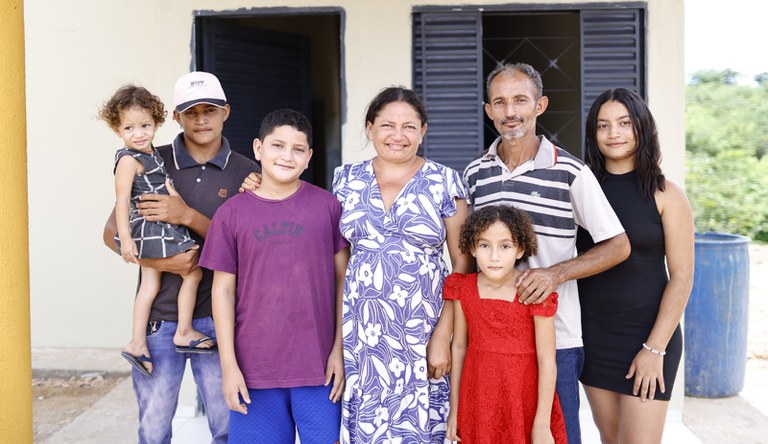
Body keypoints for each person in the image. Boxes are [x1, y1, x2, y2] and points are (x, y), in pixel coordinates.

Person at [459, 63, 631, 444]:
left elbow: (619, 245)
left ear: (540, 105)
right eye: (500, 102)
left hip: (557, 340)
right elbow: (472, 255)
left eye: (521, 100)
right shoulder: (474, 174)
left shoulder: (570, 171)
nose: (510, 112)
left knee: (555, 436)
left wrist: (555, 274)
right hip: (492, 342)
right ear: (488, 110)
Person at [103, 71, 259, 444]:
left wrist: (186, 215)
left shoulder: (248, 172)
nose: (201, 119)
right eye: (191, 112)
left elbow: (250, 251)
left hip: (218, 321)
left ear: (226, 112)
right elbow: (111, 234)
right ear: (175, 117)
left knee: (227, 427)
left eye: (210, 110)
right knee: (154, 431)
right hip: (158, 322)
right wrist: (163, 264)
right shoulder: (151, 161)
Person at [331, 86, 472, 443]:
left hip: (422, 331)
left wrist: (445, 335)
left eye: (409, 126)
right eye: (387, 125)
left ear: (423, 131)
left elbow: (463, 264)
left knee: (421, 427)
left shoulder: (444, 181)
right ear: (369, 128)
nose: (398, 135)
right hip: (362, 334)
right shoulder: (345, 180)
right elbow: (338, 265)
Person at [199, 109, 349, 443]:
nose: (287, 156)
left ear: (309, 157)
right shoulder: (231, 214)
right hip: (254, 371)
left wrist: (339, 349)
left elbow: (344, 282)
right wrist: (229, 366)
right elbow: (221, 292)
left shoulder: (327, 207)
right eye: (277, 145)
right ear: (257, 148)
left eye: (298, 149)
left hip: (318, 367)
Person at [576, 88, 694, 443]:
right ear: (593, 134)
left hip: (649, 336)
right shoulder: (581, 190)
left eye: (624, 123)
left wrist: (654, 349)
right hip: (595, 337)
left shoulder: (665, 193)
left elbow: (682, 278)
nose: (614, 133)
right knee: (611, 439)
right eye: (603, 125)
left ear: (641, 127)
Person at [100, 85, 212, 378]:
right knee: (193, 271)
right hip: (150, 226)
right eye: (129, 128)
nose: (138, 134)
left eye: (145, 126)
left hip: (158, 224)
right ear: (117, 129)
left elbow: (161, 184)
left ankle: (138, 343)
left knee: (150, 286)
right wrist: (125, 239)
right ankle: (184, 330)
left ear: (156, 123)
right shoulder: (128, 159)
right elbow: (123, 202)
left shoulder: (150, 154)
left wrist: (175, 197)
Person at [445, 205, 567, 444]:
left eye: (505, 246)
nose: (493, 256)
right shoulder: (463, 288)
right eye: (484, 245)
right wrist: (454, 410)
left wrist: (541, 423)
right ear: (472, 247)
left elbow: (546, 360)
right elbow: (459, 347)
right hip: (478, 400)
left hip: (523, 400)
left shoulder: (533, 291)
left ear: (520, 249)